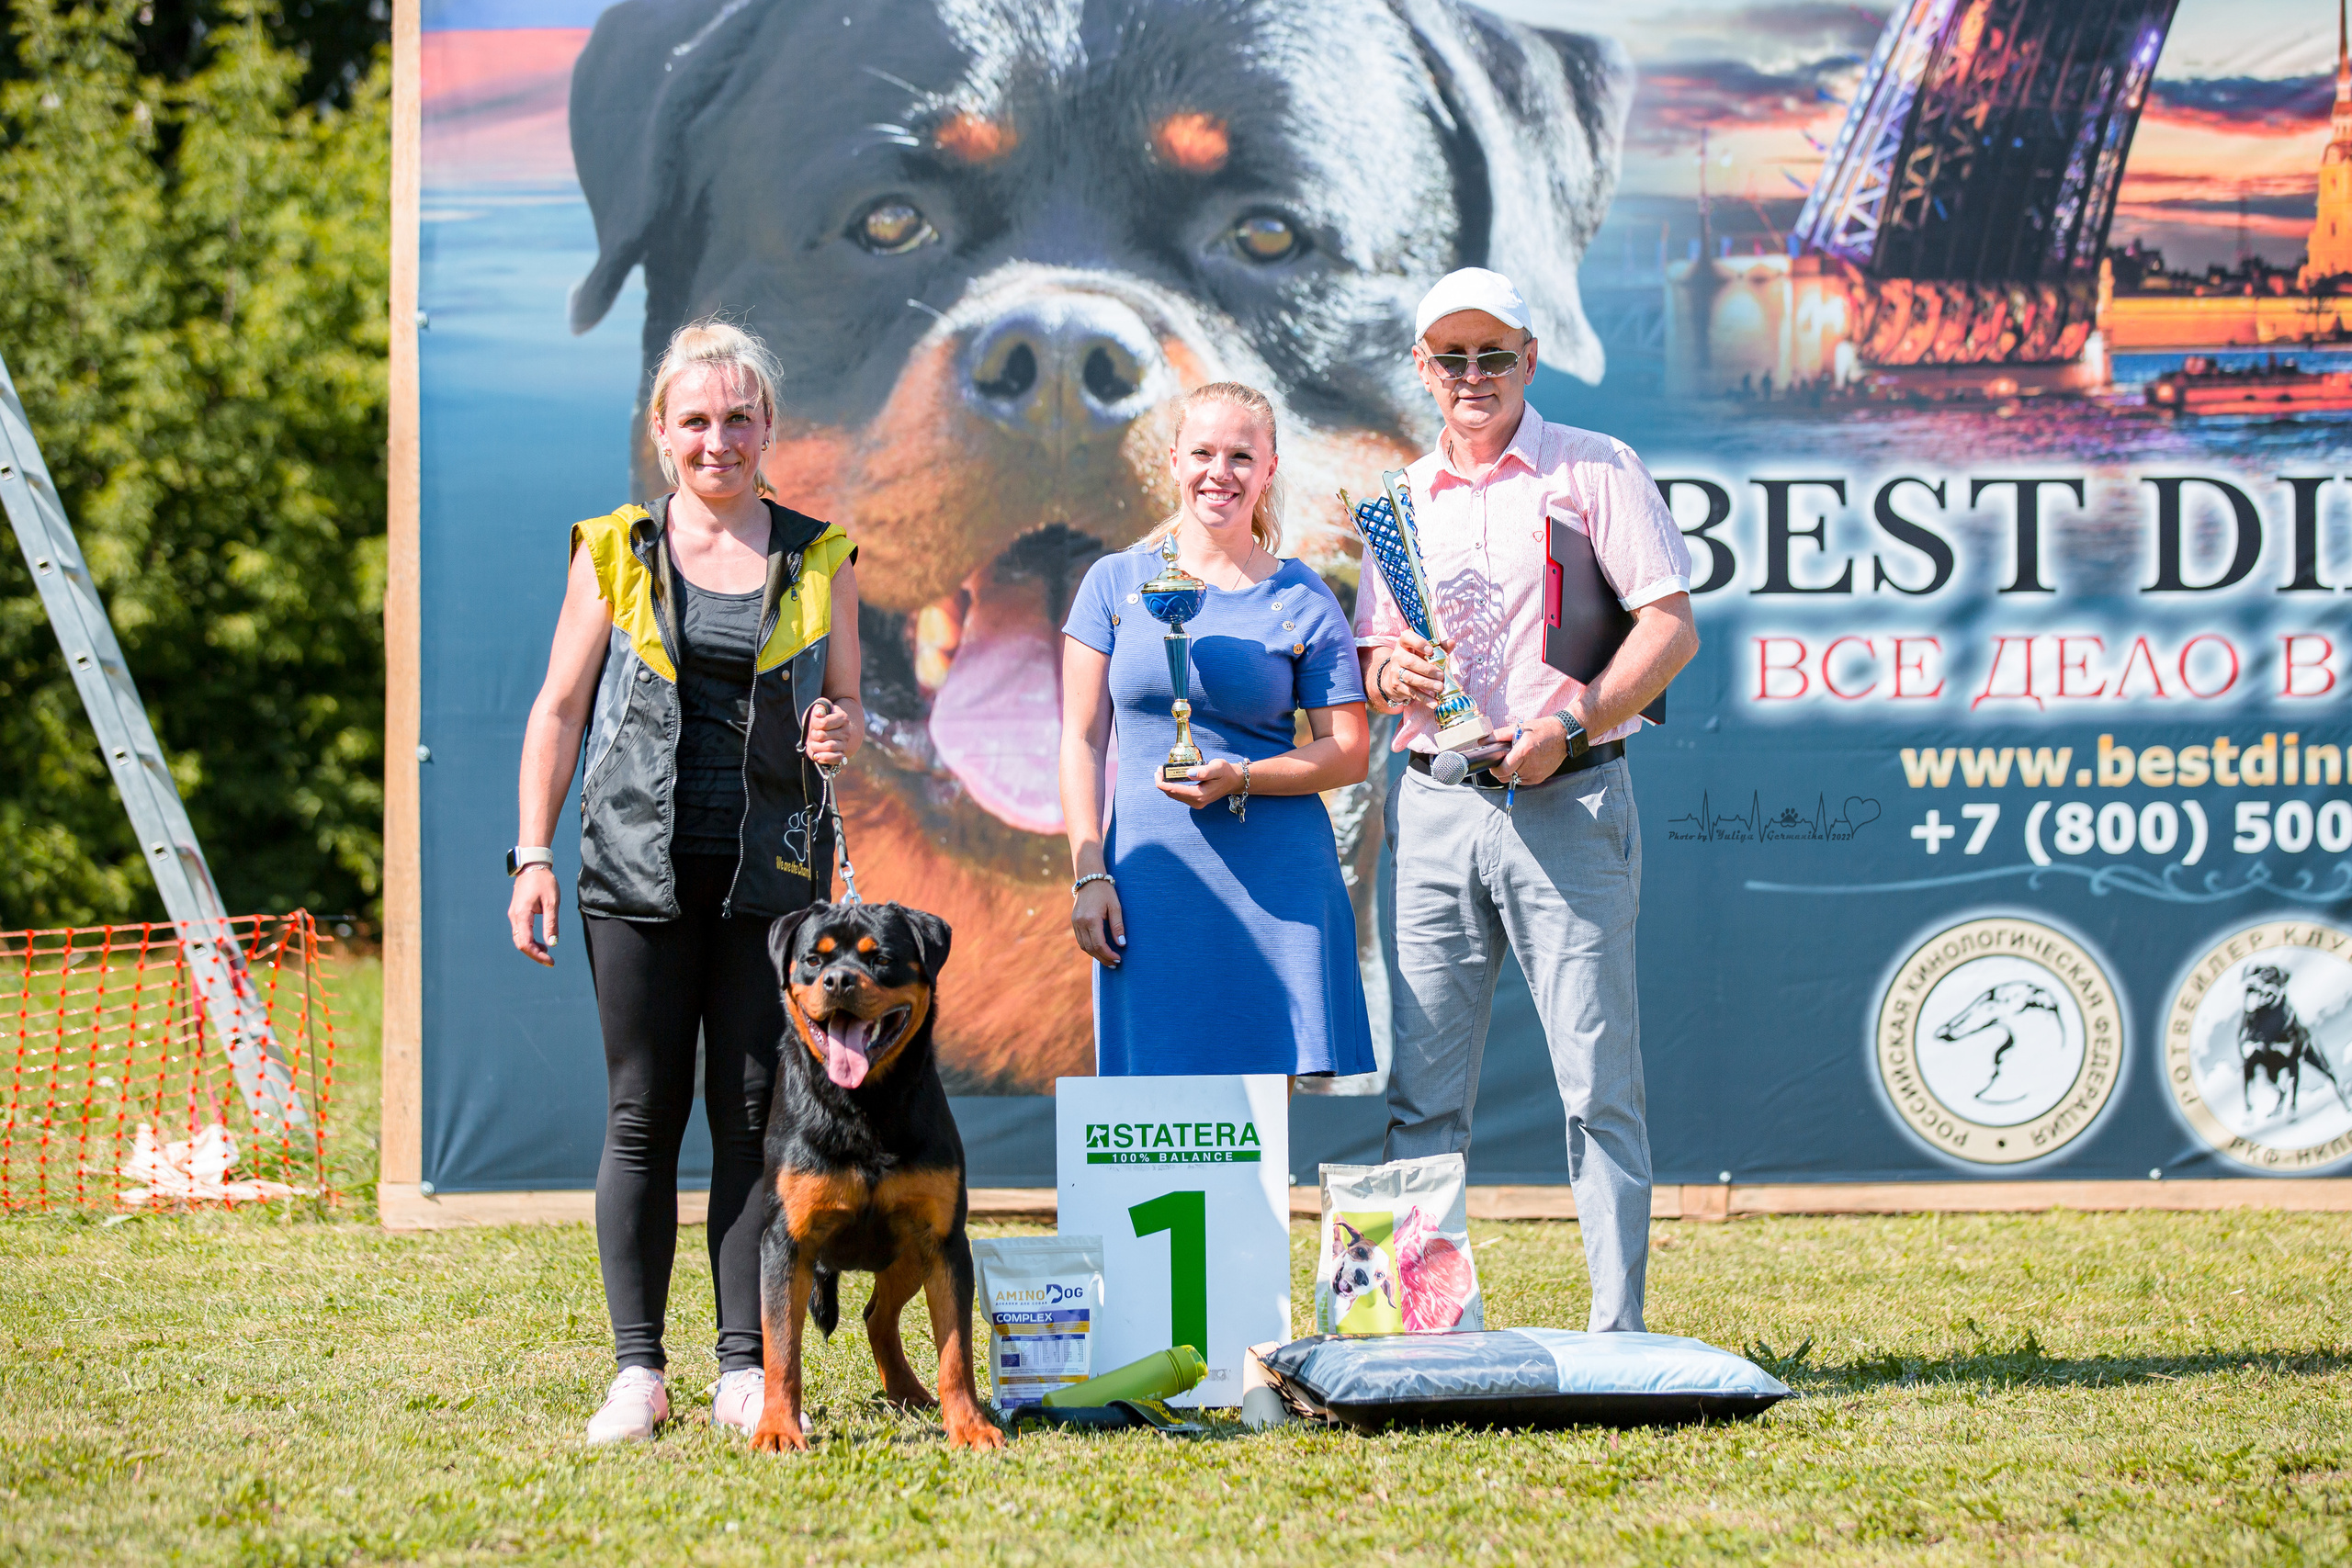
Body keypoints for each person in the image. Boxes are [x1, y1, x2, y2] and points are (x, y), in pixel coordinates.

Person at [504, 319, 864, 1443]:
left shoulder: (822, 556)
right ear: (662, 434)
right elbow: (558, 711)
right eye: (696, 420)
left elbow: (849, 715)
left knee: (752, 1124)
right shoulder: (612, 548)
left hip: (773, 887)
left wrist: (839, 731)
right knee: (639, 1120)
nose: (719, 440)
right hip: (631, 874)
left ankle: (742, 1370)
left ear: (769, 429)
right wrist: (530, 852)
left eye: (739, 418)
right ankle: (636, 1373)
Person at [1355, 269, 1698, 1333]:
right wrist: (1389, 680)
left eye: (1490, 355)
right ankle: (1420, 1330)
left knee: (1599, 1091)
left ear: (1527, 361)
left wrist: (1576, 725)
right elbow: (1375, 660)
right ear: (1422, 367)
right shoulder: (1393, 501)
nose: (1470, 376)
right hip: (1435, 804)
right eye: (1449, 356)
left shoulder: (1593, 466)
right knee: (1420, 1097)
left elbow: (1671, 628)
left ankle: (1618, 1331)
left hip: (1570, 799)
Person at [1058, 381, 1375, 1079]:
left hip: (1279, 888)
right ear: (1172, 460)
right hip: (1149, 887)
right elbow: (1080, 742)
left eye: (1241, 455)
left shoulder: (1303, 595)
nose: (1219, 472)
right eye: (1202, 451)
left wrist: (1245, 777)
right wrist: (1089, 875)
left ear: (1269, 469)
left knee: (1257, 1134)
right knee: (1160, 1122)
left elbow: (1350, 750)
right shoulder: (1113, 585)